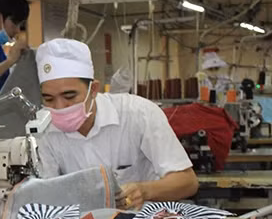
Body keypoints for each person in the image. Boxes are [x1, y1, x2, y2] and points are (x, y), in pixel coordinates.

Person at [36, 38, 198, 209]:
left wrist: (144, 191)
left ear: (93, 90)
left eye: (69, 96)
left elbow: (188, 182)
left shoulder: (138, 114)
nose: (60, 107)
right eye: (49, 99)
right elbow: (44, 194)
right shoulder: (43, 130)